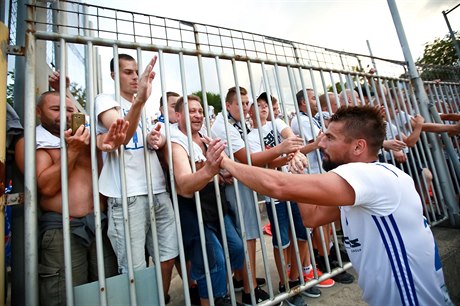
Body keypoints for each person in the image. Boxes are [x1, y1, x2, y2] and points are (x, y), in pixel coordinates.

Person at [217, 105, 453, 306]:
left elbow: (278, 186)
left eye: (330, 138)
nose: (322, 144)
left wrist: (226, 162)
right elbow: (312, 217)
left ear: (359, 147)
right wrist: (297, 168)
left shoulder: (371, 176)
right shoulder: (361, 188)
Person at [15, 86, 119, 306]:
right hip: (62, 231)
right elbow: (46, 188)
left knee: (108, 294)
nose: (65, 115)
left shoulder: (86, 137)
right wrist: (71, 151)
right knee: (66, 297)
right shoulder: (32, 141)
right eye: (55, 109)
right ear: (38, 112)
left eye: (70, 109)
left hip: (101, 226)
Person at [95, 54, 178, 303]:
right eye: (127, 72)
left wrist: (158, 140)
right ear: (113, 76)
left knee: (168, 254)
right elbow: (121, 136)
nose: (134, 77)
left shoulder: (147, 108)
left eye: (136, 72)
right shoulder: (105, 101)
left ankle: (159, 299)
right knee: (134, 268)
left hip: (157, 189)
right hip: (127, 195)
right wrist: (140, 101)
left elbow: (152, 139)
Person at [211, 86, 303, 305]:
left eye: (246, 103)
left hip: (242, 179)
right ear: (228, 105)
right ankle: (250, 291)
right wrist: (281, 148)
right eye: (240, 104)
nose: (245, 107)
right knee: (248, 231)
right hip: (238, 182)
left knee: (246, 232)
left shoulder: (238, 122)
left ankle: (243, 277)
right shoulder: (224, 125)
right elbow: (247, 159)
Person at [170, 95, 244, 306]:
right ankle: (213, 298)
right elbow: (184, 184)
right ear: (178, 115)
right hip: (194, 211)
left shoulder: (204, 138)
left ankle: (221, 293)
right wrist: (211, 170)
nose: (197, 115)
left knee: (236, 248)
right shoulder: (176, 143)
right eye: (191, 111)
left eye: (200, 111)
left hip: (216, 207)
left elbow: (211, 169)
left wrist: (220, 175)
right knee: (213, 262)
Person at [291, 89, 354, 285]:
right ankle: (325, 261)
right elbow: (317, 143)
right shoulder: (300, 120)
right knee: (319, 221)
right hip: (311, 173)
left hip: (320, 172)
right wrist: (323, 140)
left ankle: (327, 254)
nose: (316, 101)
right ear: (302, 102)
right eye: (311, 98)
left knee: (326, 223)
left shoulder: (314, 118)